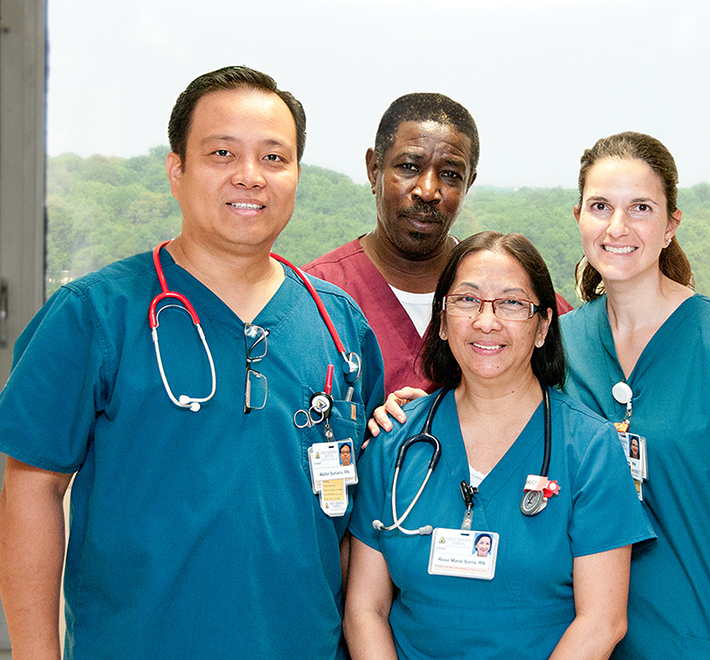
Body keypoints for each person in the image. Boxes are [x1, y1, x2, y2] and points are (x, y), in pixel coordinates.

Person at [0, 66, 384, 659]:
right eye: (222, 152)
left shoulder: (338, 325)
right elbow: (32, 488)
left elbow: (351, 512)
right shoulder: (96, 315)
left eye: (275, 158)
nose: (250, 176)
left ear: (297, 175)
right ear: (177, 170)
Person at [344, 231, 653, 660]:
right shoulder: (396, 442)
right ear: (443, 319)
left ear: (543, 325)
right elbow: (365, 609)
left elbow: (603, 620)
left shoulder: (589, 449)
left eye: (511, 303)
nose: (486, 321)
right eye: (467, 300)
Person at [560, 131, 710, 659]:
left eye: (640, 208)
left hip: (704, 638)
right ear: (579, 216)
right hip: (591, 641)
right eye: (600, 206)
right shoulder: (562, 346)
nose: (617, 227)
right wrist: (414, 410)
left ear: (671, 225)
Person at [304, 94, 573, 394]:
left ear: (468, 183)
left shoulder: (520, 301)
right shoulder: (314, 296)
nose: (428, 190)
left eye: (450, 175)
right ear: (373, 168)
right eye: (408, 167)